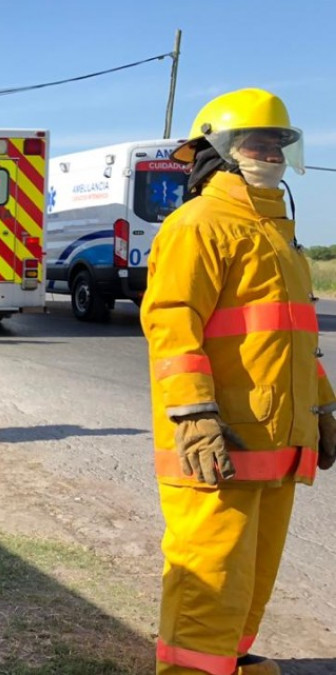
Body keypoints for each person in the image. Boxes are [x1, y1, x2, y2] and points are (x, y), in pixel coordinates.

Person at [141, 88, 334, 675]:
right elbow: (171, 325)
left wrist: (322, 408)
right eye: (257, 140)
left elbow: (295, 338)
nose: (270, 151)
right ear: (217, 152)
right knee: (212, 574)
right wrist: (193, 417)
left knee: (254, 574)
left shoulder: (279, 235)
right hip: (218, 443)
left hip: (275, 442)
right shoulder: (198, 224)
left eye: (278, 141)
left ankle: (235, 661)